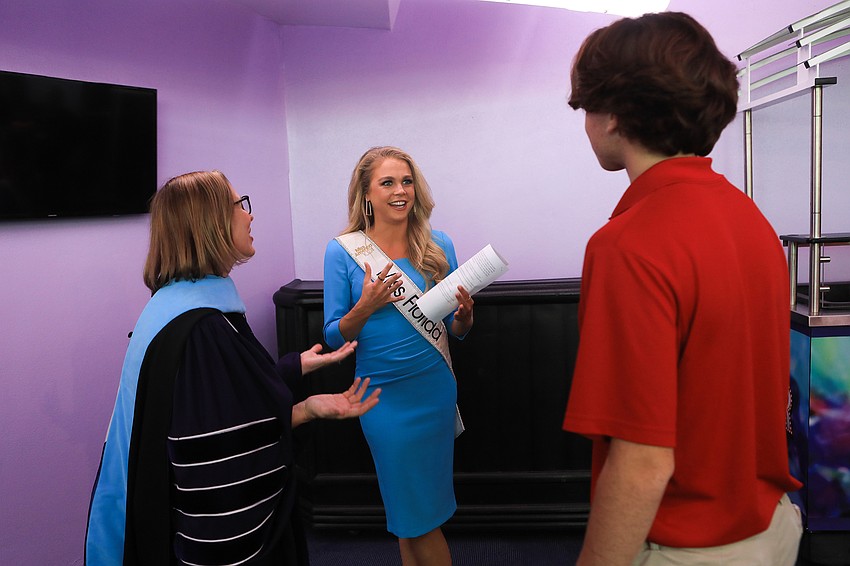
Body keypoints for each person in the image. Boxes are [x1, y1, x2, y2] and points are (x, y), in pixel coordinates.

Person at [561, 12, 802, 566]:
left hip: (685, 546)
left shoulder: (628, 244)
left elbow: (644, 459)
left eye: (586, 108)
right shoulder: (750, 219)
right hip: (771, 530)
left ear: (614, 115)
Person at [85, 170, 380, 566]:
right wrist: (308, 409)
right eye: (239, 205)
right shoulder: (202, 330)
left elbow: (225, 405)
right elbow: (224, 457)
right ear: (209, 221)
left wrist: (294, 368)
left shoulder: (174, 306)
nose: (250, 216)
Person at [322, 146, 474, 565]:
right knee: (410, 518)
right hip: (381, 398)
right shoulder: (343, 251)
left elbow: (455, 333)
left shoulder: (438, 245)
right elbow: (334, 336)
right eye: (387, 182)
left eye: (406, 181)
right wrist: (365, 307)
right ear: (366, 194)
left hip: (433, 392)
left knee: (418, 518)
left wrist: (464, 318)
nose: (400, 190)